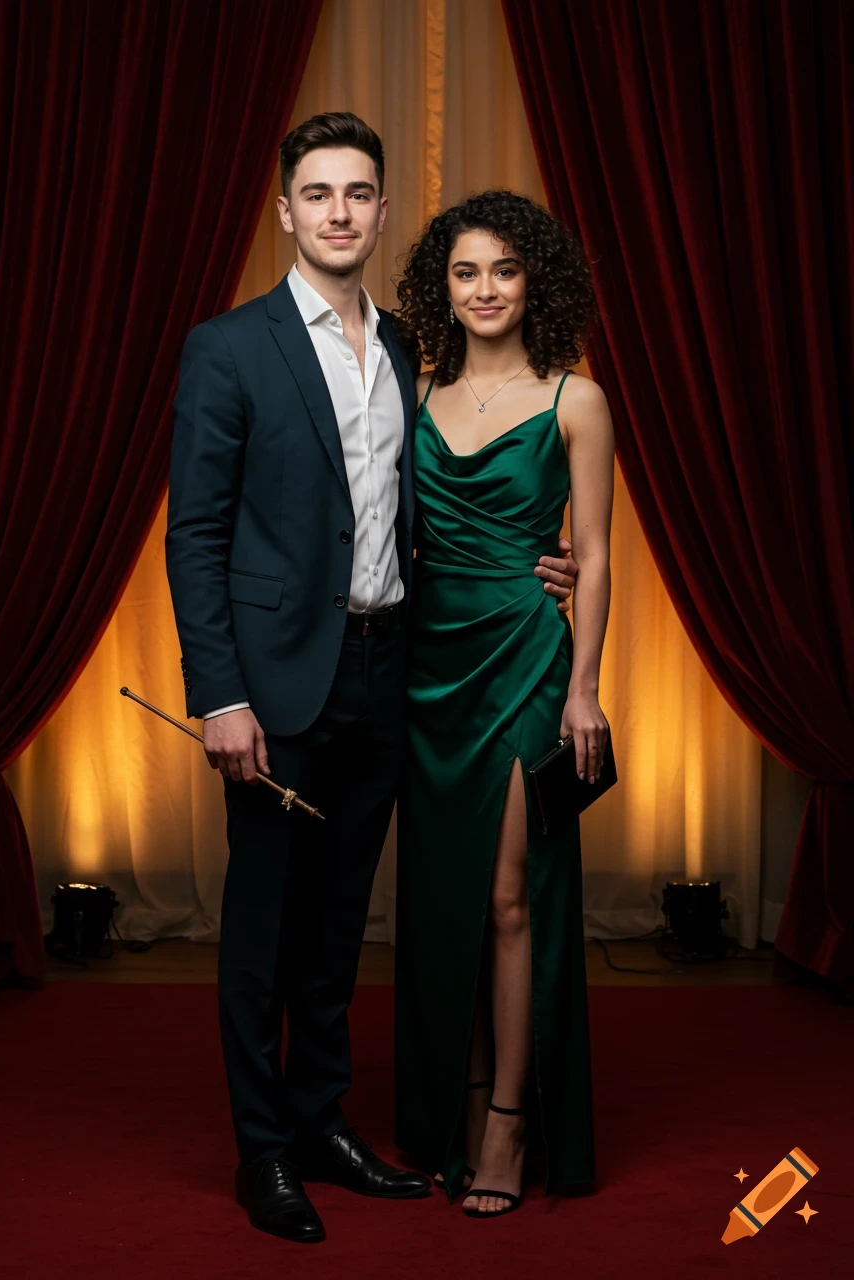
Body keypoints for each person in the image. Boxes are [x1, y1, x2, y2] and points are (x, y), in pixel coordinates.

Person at [165, 115, 579, 1244]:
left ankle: (321, 1120)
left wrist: (544, 559)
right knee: (262, 923)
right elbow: (194, 532)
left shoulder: (410, 348)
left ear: (382, 211)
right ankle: (264, 1154)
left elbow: (441, 505)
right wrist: (220, 693)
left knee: (342, 920)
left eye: (358, 193)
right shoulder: (229, 346)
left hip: (391, 669)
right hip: (273, 683)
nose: (338, 211)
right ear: (285, 211)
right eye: (317, 193)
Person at [392, 189, 614, 1218]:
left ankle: (510, 1122)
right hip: (428, 667)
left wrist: (583, 690)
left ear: (536, 283)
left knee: (508, 896)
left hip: (526, 656)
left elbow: (599, 557)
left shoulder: (575, 396)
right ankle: (459, 1098)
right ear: (442, 287)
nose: (484, 289)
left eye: (504, 270)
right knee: (445, 901)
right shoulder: (414, 392)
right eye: (464, 271)